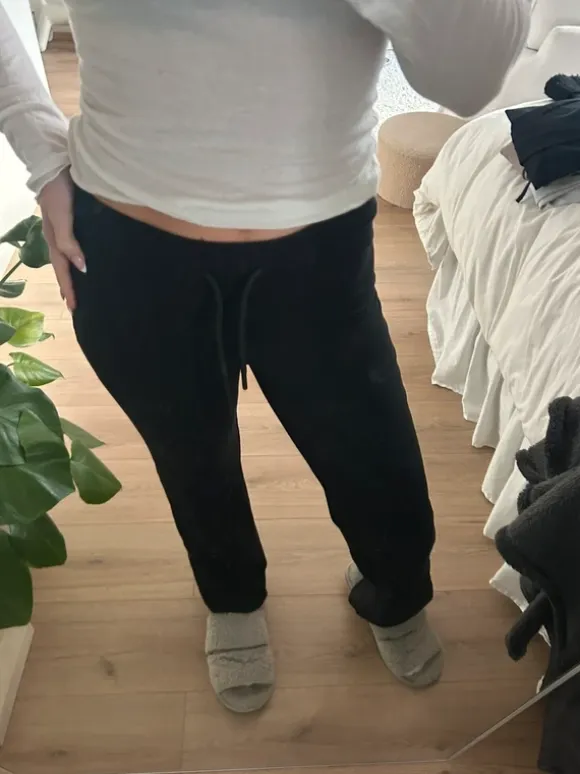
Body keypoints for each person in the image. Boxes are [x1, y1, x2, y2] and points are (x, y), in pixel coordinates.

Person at [0, 0, 529, 714]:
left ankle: (396, 591)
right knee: (194, 458)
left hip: (320, 253)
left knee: (375, 459)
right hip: (129, 250)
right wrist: (41, 154)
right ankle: (233, 596)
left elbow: (470, 78)